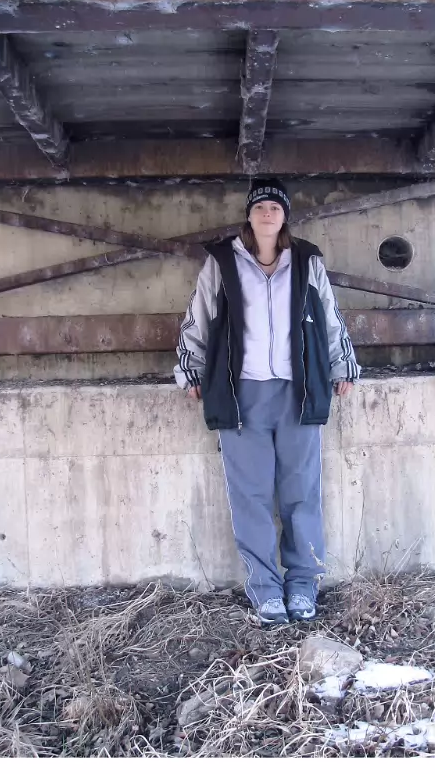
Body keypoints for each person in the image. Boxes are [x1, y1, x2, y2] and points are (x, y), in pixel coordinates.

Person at [174, 178, 361, 626]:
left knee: (302, 494)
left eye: (275, 207)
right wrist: (191, 368)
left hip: (299, 391)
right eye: (260, 206)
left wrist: (343, 364)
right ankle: (265, 589)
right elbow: (199, 316)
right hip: (241, 393)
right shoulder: (222, 262)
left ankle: (303, 584)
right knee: (251, 497)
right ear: (249, 214)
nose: (267, 213)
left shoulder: (307, 261)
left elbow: (330, 317)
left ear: (285, 216)